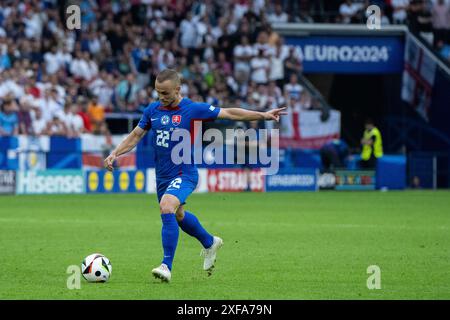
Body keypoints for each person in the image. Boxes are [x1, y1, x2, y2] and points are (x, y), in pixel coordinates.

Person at [104, 69, 286, 282]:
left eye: (165, 93)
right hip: (163, 176)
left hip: (185, 173)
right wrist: (115, 152)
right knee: (178, 216)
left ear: (178, 89)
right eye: (158, 92)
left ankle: (166, 266)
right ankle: (210, 242)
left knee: (166, 206)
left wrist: (262, 114)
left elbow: (229, 113)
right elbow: (135, 135)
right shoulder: (153, 110)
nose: (161, 97)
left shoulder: (192, 109)